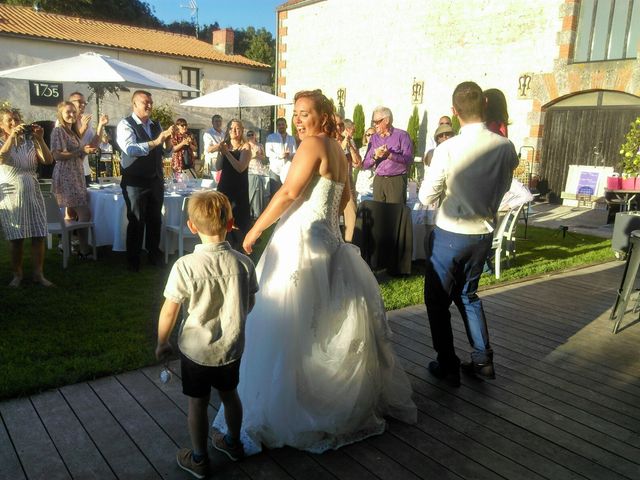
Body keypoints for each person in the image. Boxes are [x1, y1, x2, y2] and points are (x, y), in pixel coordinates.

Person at [212, 89, 417, 455]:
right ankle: (316, 394)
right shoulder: (338, 149)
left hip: (301, 241)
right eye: (295, 113)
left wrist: (255, 230)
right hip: (328, 241)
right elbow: (345, 199)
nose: (298, 119)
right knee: (317, 321)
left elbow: (289, 192)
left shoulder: (312, 146)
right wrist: (343, 235)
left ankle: (286, 408)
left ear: (323, 115)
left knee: (286, 319)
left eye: (305, 112)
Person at [419, 81, 518, 386]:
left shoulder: (447, 149)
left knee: (437, 301)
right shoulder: (505, 147)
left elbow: (425, 197)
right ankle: (482, 359)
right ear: (484, 103)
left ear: (454, 111)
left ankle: (447, 363)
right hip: (482, 233)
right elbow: (504, 184)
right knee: (468, 295)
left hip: (451, 232)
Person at [155, 190, 258, 479]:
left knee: (197, 404)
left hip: (196, 351)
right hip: (231, 348)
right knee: (230, 396)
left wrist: (162, 342)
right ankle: (233, 443)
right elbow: (249, 303)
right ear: (230, 224)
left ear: (191, 226)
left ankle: (199, 458)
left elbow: (169, 311)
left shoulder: (185, 266)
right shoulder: (243, 263)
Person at [116, 90, 174, 271]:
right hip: (135, 181)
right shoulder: (125, 124)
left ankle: (153, 254)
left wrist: (168, 142)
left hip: (155, 179)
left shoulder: (156, 124)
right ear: (134, 104)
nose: (149, 105)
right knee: (136, 220)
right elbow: (130, 149)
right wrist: (156, 142)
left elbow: (165, 153)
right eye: (144, 102)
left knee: (155, 219)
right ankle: (133, 259)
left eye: (150, 102)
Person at [0, 108, 54, 287]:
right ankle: (17, 274)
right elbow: (1, 158)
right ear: (1, 124)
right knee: (17, 238)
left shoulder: (30, 142)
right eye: (9, 119)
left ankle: (39, 274)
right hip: (13, 193)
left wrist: (39, 138)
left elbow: (47, 160)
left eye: (16, 118)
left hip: (33, 190)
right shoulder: (2, 141)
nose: (14, 122)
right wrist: (11, 137)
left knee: (39, 234)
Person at [51, 101, 106, 259]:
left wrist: (85, 150)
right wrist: (80, 150)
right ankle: (83, 249)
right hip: (66, 176)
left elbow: (79, 152)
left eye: (74, 112)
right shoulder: (58, 131)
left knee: (70, 214)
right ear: (60, 114)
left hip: (76, 174)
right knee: (84, 213)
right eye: (68, 112)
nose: (72, 115)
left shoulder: (72, 132)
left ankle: (67, 247)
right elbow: (57, 155)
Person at [362, 106, 414, 204]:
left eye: (377, 122)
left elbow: (409, 159)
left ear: (387, 120)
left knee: (395, 214)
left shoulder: (402, 135)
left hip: (396, 180)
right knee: (378, 215)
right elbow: (365, 164)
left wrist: (390, 155)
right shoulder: (373, 139)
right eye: (373, 122)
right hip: (379, 180)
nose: (375, 125)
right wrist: (375, 156)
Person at [215, 119, 251, 250]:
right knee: (223, 218)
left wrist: (227, 153)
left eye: (237, 128)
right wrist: (221, 152)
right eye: (231, 128)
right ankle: (224, 246)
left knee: (237, 221)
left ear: (242, 130)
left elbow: (240, 167)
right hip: (224, 187)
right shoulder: (226, 146)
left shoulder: (245, 147)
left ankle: (240, 248)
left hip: (239, 189)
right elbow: (218, 167)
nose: (234, 130)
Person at [68, 92, 108, 185]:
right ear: (70, 104)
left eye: (84, 103)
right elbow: (69, 144)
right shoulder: (63, 122)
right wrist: (83, 128)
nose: (83, 105)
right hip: (70, 173)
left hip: (85, 171)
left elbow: (93, 145)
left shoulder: (84, 121)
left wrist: (100, 126)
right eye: (79, 102)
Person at [335, 115, 358, 242]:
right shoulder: (329, 141)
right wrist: (343, 145)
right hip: (334, 183)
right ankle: (335, 243)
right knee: (334, 216)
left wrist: (349, 145)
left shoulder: (349, 140)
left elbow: (357, 162)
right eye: (336, 125)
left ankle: (349, 245)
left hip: (348, 182)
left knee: (352, 214)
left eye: (341, 125)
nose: (339, 128)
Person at [265, 117, 296, 191]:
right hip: (275, 170)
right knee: (275, 193)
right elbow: (268, 153)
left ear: (286, 125)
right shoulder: (271, 137)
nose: (281, 126)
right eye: (279, 125)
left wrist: (290, 155)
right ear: (277, 126)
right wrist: (280, 156)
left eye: (283, 124)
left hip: (288, 169)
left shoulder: (291, 138)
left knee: (288, 192)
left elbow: (295, 152)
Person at [246, 129, 269, 219]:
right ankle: (250, 212)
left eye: (252, 134)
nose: (251, 136)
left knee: (259, 191)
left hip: (259, 169)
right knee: (251, 191)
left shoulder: (260, 145)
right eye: (249, 134)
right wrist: (253, 156)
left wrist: (258, 155)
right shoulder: (246, 145)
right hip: (250, 170)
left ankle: (257, 212)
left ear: (255, 135)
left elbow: (263, 157)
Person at [355, 127, 375, 202]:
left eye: (373, 134)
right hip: (363, 180)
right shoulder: (361, 150)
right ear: (365, 137)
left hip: (374, 181)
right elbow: (357, 164)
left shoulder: (380, 149)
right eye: (368, 135)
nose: (370, 137)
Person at [202, 114, 225, 181]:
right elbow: (209, 149)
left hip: (222, 160)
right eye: (216, 121)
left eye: (220, 121)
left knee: (220, 181)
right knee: (213, 182)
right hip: (212, 162)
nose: (218, 123)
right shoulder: (208, 134)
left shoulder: (224, 133)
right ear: (212, 123)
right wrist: (220, 145)